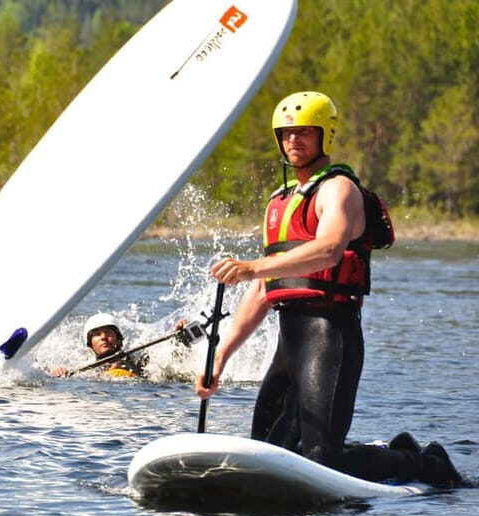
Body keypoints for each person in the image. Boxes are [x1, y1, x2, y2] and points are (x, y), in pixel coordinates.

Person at [194, 91, 464, 488]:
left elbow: (328, 249)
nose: (293, 142)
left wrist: (252, 267)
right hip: (290, 342)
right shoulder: (279, 202)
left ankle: (422, 464)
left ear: (326, 135)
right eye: (285, 134)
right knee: (270, 449)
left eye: (304, 132)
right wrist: (220, 357)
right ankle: (395, 452)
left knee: (322, 462)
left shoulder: (339, 189)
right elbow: (264, 288)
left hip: (330, 334)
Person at [50, 313, 145, 378]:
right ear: (90, 344)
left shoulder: (137, 361)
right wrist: (58, 373)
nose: (103, 337)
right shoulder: (83, 366)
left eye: (108, 332)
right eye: (97, 334)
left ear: (118, 339)